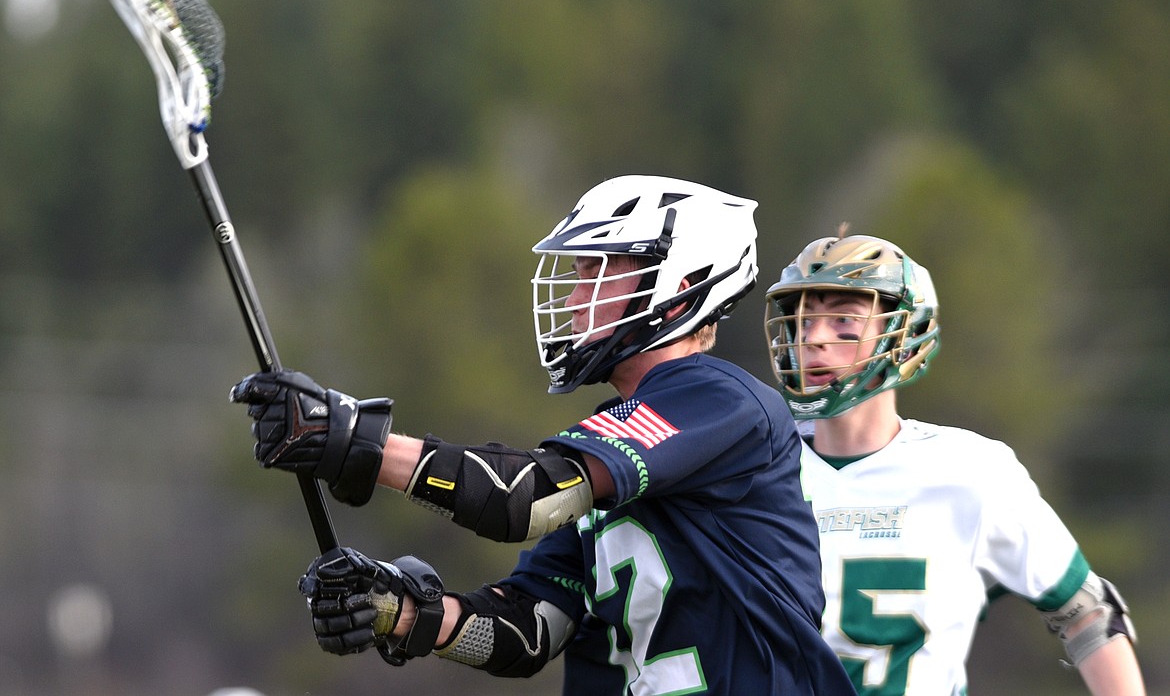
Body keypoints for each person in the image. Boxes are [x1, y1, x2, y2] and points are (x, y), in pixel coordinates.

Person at [230, 175, 856, 695]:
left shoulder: (721, 402)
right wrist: (397, 612)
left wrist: (356, 442)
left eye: (598, 273)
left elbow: (523, 499)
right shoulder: (607, 460)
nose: (578, 294)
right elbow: (530, 628)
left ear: (682, 287)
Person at [761, 231, 1146, 695]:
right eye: (804, 322)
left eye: (844, 320)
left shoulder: (970, 470)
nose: (814, 339)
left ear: (903, 335)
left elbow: (1086, 613)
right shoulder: (755, 469)